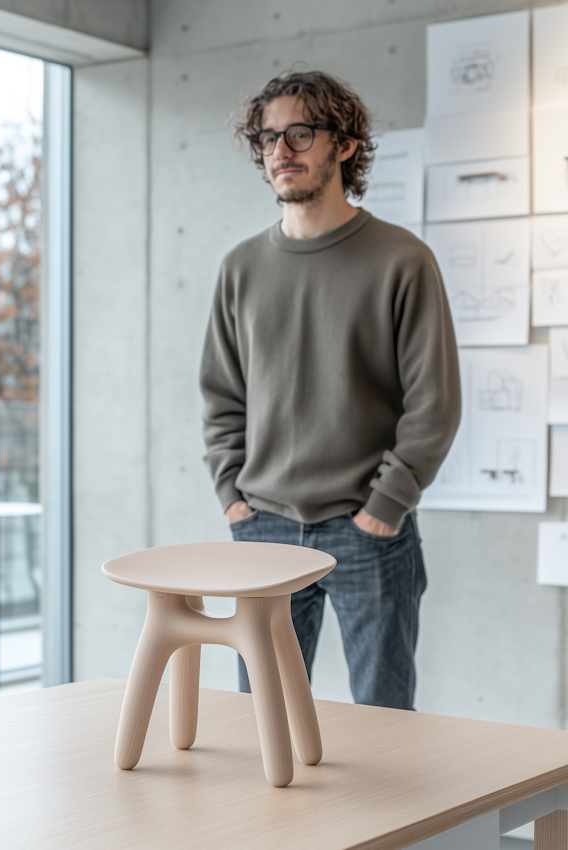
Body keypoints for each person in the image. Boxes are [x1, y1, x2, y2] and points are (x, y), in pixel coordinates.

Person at [199, 69, 461, 710]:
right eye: (267, 139)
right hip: (262, 530)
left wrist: (383, 509)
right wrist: (233, 496)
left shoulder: (402, 260)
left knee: (385, 720)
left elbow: (434, 404)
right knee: (265, 722)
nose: (280, 152)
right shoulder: (240, 269)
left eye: (299, 133)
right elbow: (221, 397)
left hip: (366, 530)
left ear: (343, 144)